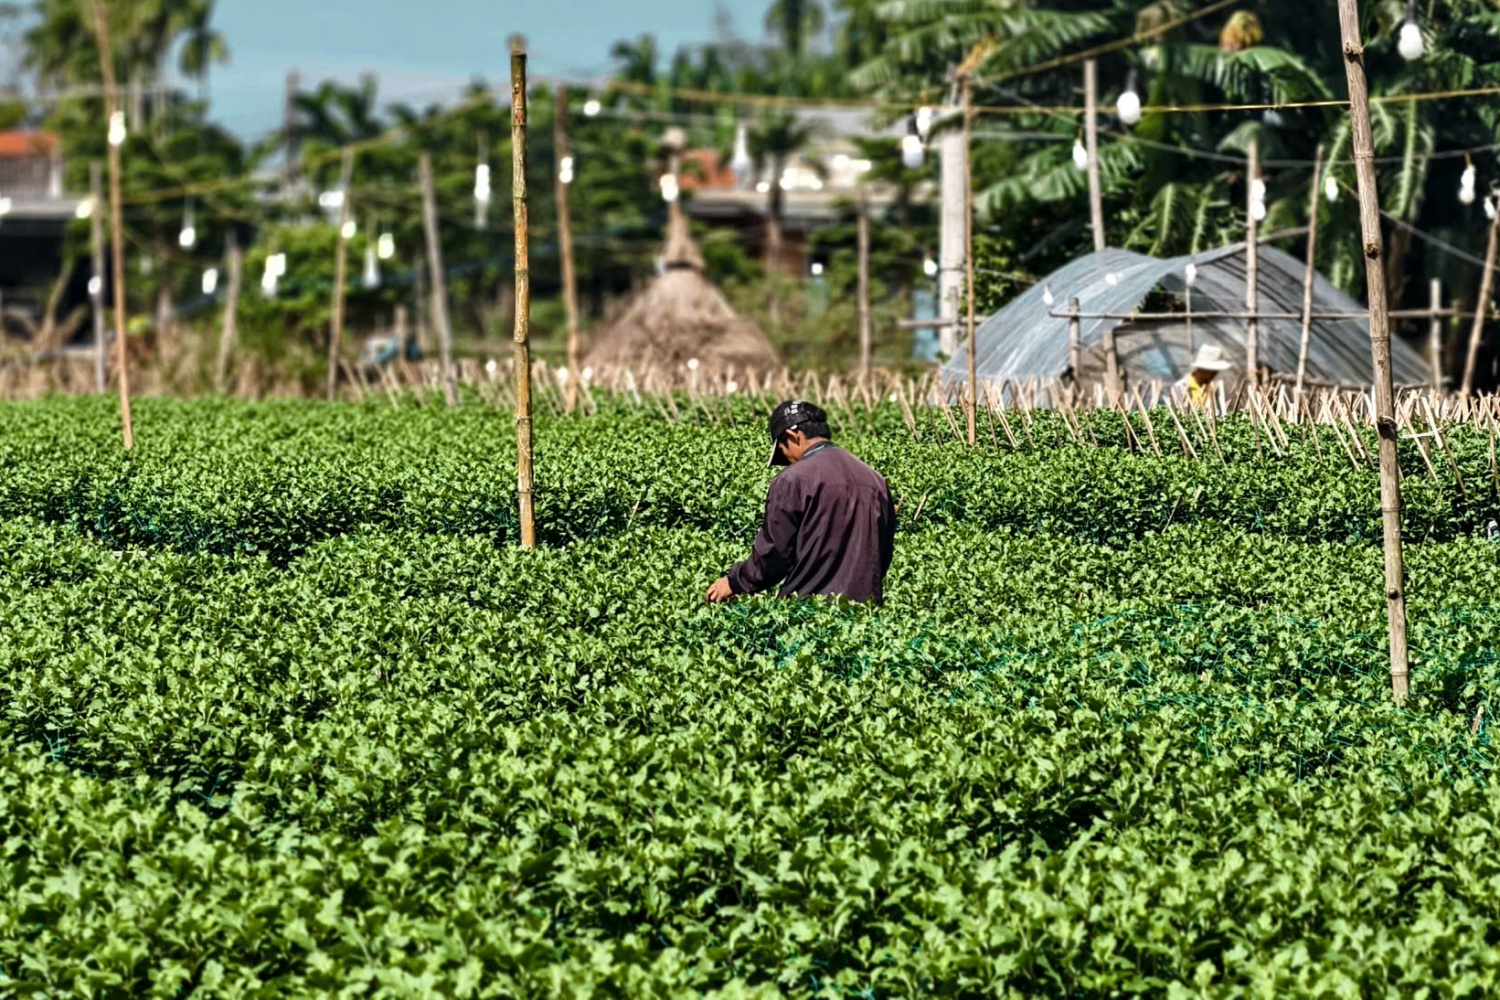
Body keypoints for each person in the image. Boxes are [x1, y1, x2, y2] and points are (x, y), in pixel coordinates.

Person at [706, 400, 895, 605]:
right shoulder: (875, 480)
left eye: (783, 452)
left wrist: (735, 582)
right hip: (865, 616)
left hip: (808, 614)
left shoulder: (792, 480)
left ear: (793, 436)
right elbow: (882, 555)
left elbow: (775, 554)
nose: (788, 461)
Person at [1175, 344, 1234, 408]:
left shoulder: (1214, 388)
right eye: (1212, 371)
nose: (1215, 373)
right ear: (1202, 369)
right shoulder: (1180, 387)